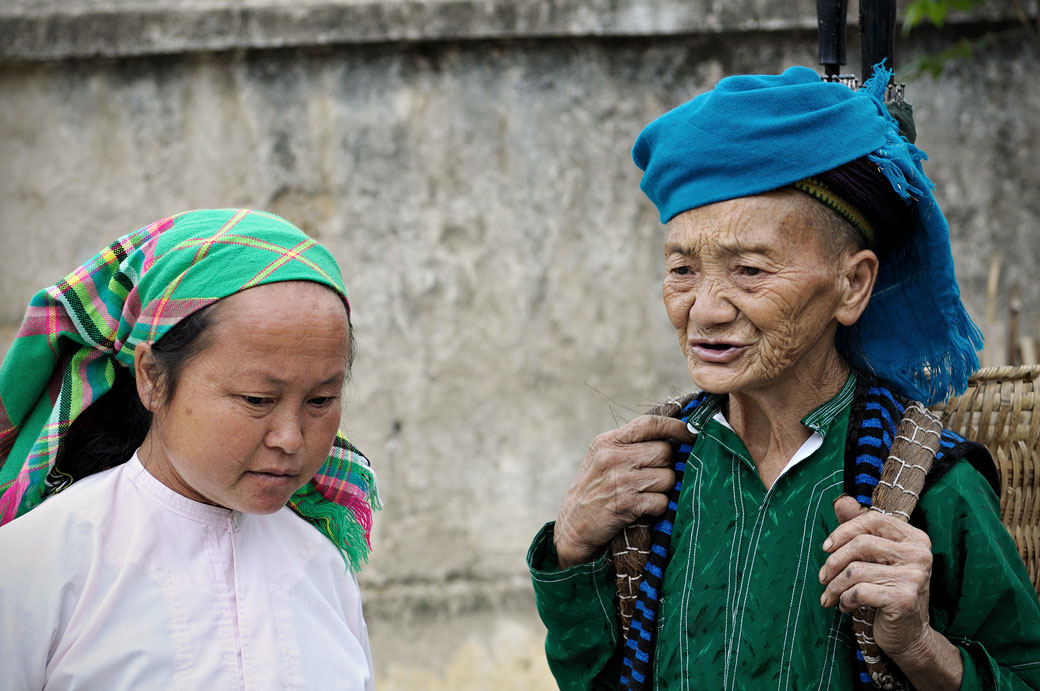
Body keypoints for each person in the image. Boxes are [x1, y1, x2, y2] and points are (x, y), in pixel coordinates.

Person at [527, 66, 1040, 690]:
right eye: (683, 270)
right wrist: (572, 551)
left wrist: (918, 644)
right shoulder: (651, 481)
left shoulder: (931, 488)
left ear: (852, 284)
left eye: (749, 270)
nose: (706, 311)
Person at [0, 209, 379, 689]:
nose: (291, 438)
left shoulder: (322, 567)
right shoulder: (36, 563)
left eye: (321, 400)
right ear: (153, 378)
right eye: (257, 400)